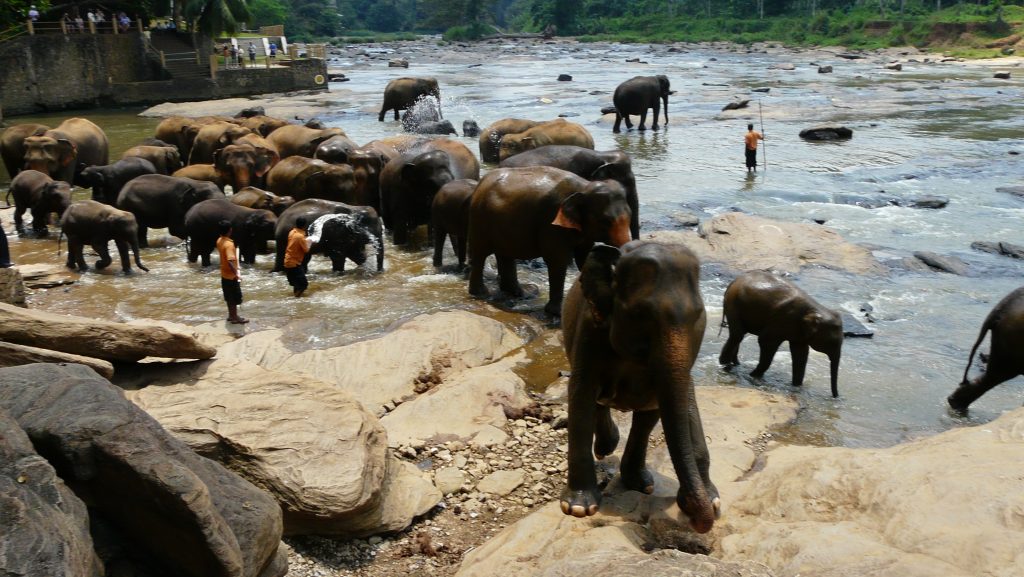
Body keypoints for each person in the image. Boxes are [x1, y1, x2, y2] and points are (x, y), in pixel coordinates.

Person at [216, 220, 249, 324]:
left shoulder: (219, 240)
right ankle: (235, 317)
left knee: (229, 297)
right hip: (231, 276)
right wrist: (236, 274)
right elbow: (230, 261)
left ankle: (231, 315)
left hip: (224, 274)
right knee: (235, 297)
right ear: (230, 230)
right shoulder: (229, 244)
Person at [284, 217, 314, 297]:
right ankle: (295, 299)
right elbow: (306, 250)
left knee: (296, 284)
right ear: (304, 226)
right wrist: (310, 242)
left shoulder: (292, 232)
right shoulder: (300, 236)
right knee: (304, 285)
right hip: (295, 264)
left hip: (287, 262)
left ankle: (296, 296)